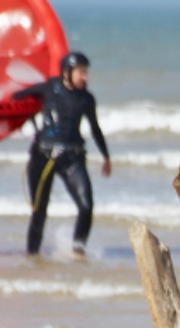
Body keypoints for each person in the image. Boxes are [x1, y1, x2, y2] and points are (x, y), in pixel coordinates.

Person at [11, 52, 111, 257]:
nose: (85, 77)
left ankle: (78, 250)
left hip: (72, 158)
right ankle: (32, 256)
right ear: (67, 72)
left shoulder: (86, 99)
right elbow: (15, 98)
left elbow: (95, 128)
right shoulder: (48, 88)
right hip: (43, 156)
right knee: (39, 211)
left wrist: (106, 156)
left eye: (86, 72)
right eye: (81, 72)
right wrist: (19, 119)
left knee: (86, 206)